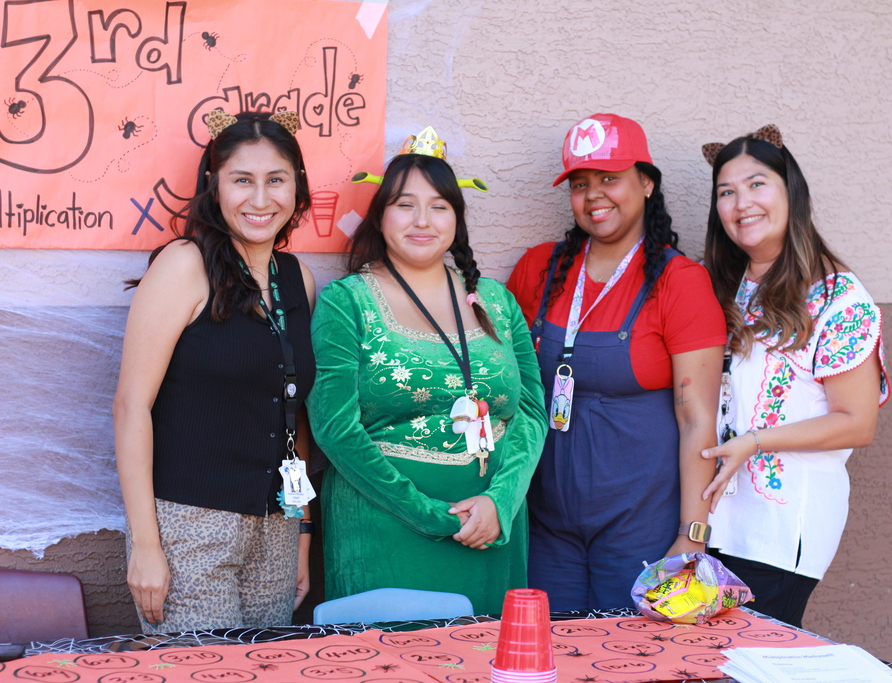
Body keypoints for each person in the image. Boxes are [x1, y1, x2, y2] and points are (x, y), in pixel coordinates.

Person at [307, 127, 547, 615]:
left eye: (439, 206)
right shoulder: (345, 302)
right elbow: (334, 428)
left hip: (490, 530)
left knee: (483, 664)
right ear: (380, 215)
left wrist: (501, 502)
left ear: (457, 218)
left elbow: (530, 411)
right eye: (404, 205)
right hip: (384, 527)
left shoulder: (497, 301)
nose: (423, 220)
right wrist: (430, 515)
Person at [507, 113, 727, 611]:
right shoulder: (539, 268)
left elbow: (698, 421)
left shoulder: (680, 282)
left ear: (646, 183)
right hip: (546, 524)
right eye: (580, 184)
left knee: (632, 661)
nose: (594, 196)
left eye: (610, 179)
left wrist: (692, 537)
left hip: (642, 528)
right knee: (550, 654)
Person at [113, 110, 317, 633]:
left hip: (275, 530)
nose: (260, 198)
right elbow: (131, 407)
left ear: (297, 184)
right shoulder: (185, 265)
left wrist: (300, 534)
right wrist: (146, 545)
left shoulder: (299, 280)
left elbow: (292, 417)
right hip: (188, 527)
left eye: (276, 180)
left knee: (266, 670)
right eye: (241, 180)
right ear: (213, 185)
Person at [699, 124, 889, 628]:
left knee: (753, 663)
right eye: (726, 191)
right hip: (717, 526)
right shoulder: (726, 287)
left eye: (758, 184)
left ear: (791, 192)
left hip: (781, 530)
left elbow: (856, 422)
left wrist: (754, 442)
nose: (742, 203)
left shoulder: (838, 297)